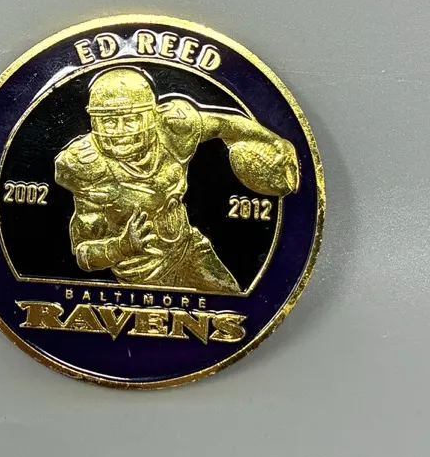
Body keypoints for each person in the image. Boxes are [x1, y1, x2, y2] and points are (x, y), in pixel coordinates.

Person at [54, 67, 298, 294]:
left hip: (188, 246)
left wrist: (273, 141)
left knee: (231, 299)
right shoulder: (87, 167)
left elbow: (224, 125)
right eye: (109, 121)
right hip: (142, 271)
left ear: (150, 116)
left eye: (130, 119)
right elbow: (84, 254)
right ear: (95, 122)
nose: (120, 131)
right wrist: (123, 246)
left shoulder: (173, 129)